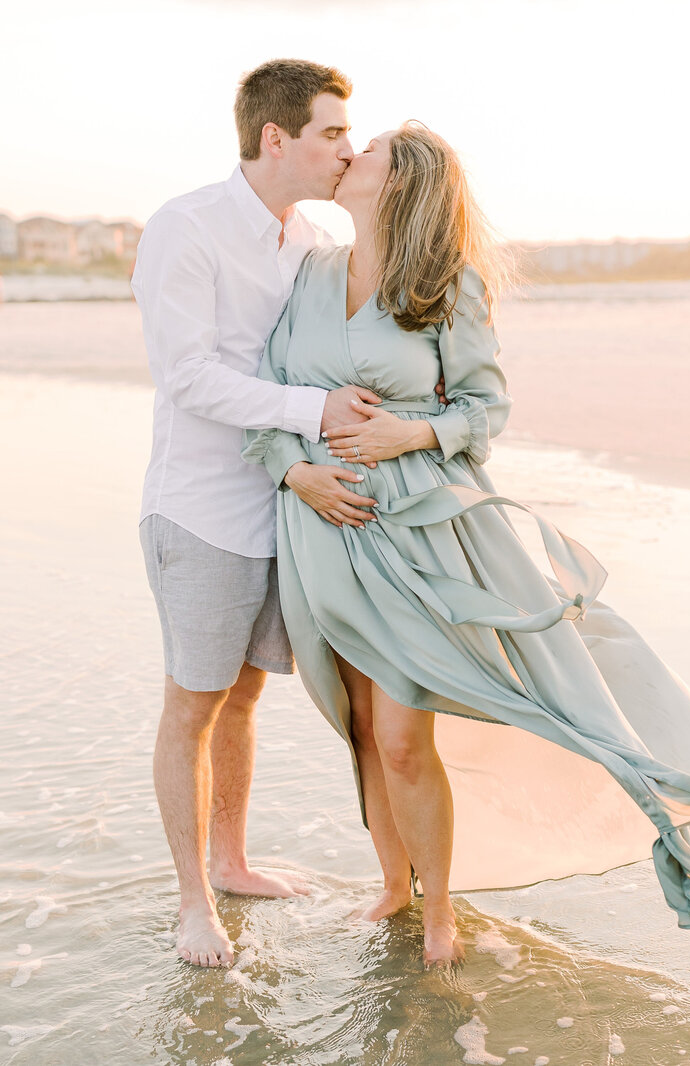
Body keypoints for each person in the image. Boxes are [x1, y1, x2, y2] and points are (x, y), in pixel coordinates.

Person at [242, 122, 690, 966]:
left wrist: (406, 438)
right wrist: (293, 475)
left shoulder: (446, 284)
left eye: (367, 150)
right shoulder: (305, 273)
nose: (349, 156)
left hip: (422, 534)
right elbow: (263, 398)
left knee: (404, 737)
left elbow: (485, 413)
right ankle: (393, 887)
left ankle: (444, 911)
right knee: (357, 727)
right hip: (322, 531)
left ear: (401, 181)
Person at [131, 59, 391, 969]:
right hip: (199, 511)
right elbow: (189, 378)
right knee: (191, 707)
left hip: (281, 506)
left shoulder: (311, 232)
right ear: (274, 137)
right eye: (330, 133)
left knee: (242, 700)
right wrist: (315, 415)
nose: (346, 150)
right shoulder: (186, 226)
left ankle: (231, 860)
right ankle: (192, 903)